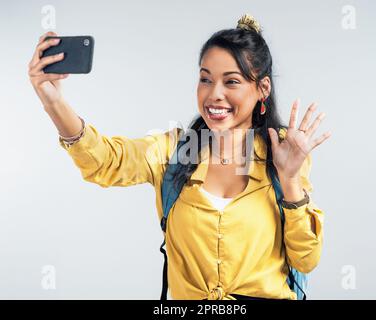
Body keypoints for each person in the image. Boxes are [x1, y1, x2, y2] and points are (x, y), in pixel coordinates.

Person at [28, 13, 331, 300]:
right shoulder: (172, 152)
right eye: (205, 79)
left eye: (232, 81)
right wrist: (53, 101)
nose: (214, 94)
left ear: (262, 88)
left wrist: (289, 180)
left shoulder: (285, 154)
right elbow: (106, 160)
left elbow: (305, 260)